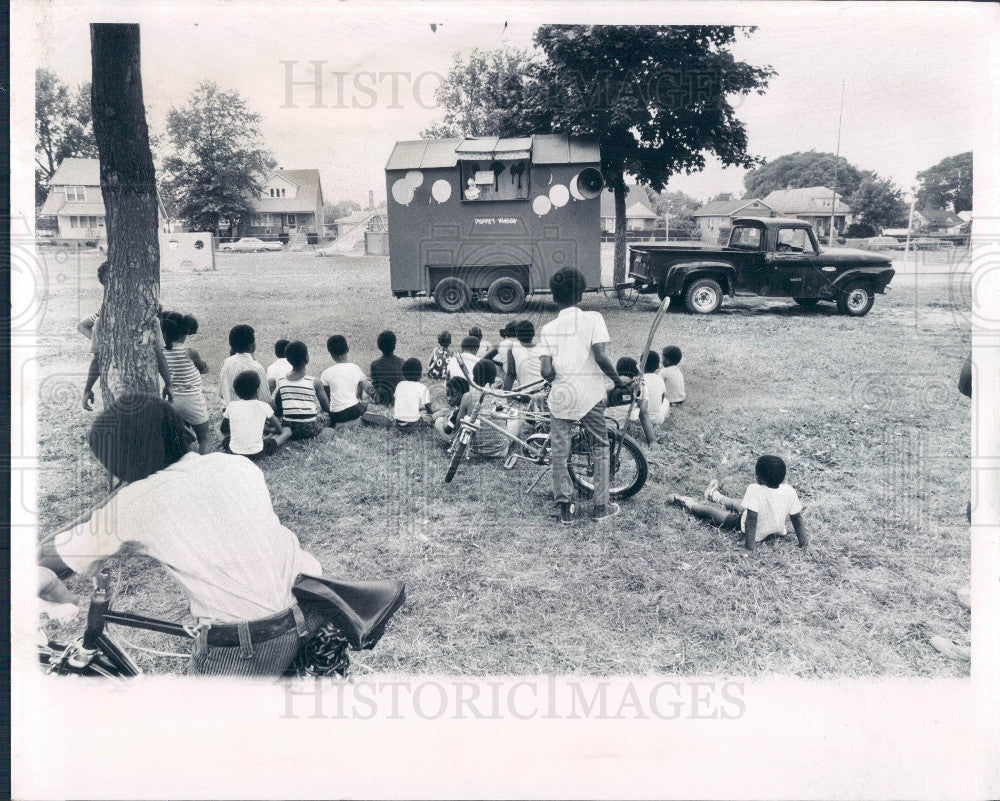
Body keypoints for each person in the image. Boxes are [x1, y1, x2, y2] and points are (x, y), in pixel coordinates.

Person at [37, 393, 326, 676]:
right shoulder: (237, 464)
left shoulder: (136, 501)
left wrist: (116, 497)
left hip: (250, 641)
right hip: (311, 607)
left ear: (117, 467)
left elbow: (52, 556)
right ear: (185, 430)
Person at [539, 268, 631, 525]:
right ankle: (600, 506)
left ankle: (566, 508)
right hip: (590, 395)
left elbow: (546, 371)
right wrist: (617, 380)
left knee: (560, 451)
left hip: (562, 397)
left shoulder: (548, 328)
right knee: (600, 446)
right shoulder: (593, 318)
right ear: (581, 293)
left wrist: (559, 374)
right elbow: (601, 356)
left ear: (555, 297)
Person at [667, 455, 809, 553]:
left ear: (758, 478)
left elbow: (751, 520)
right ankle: (713, 495)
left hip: (751, 525)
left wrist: (749, 548)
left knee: (711, 512)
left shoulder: (754, 489)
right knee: (741, 505)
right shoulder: (789, 490)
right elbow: (797, 518)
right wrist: (805, 545)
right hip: (775, 528)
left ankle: (686, 501)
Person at [81, 261, 172, 410]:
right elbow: (98, 359)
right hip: (129, 389)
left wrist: (168, 384)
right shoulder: (103, 322)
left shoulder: (150, 320)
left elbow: (159, 355)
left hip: (132, 389)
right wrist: (169, 384)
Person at [160, 312, 212, 454]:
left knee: (182, 435)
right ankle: (202, 470)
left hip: (171, 400)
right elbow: (203, 369)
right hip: (192, 399)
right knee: (205, 438)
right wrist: (204, 367)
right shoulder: (190, 352)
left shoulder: (160, 352)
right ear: (185, 332)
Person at [454, 359, 515, 459]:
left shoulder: (468, 396)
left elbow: (458, 426)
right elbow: (505, 423)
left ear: (474, 378)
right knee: (516, 422)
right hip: (500, 451)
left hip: (473, 452)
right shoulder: (501, 394)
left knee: (439, 422)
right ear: (494, 378)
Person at [225, 370, 293, 460]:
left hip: (234, 452)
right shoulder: (263, 406)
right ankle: (262, 439)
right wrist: (267, 429)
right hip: (257, 453)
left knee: (217, 426)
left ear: (236, 391)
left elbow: (223, 428)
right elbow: (280, 429)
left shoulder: (231, 405)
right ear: (257, 389)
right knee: (287, 430)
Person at [274, 341, 328, 439]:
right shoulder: (314, 381)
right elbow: (326, 407)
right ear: (307, 358)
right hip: (310, 428)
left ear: (288, 360)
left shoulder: (281, 380)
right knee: (327, 417)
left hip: (289, 427)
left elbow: (278, 402)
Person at [321, 334, 373, 428]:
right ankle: (360, 421)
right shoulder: (355, 368)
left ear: (331, 355)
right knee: (364, 404)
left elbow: (327, 397)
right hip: (354, 410)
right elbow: (361, 386)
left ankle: (339, 425)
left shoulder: (325, 373)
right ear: (348, 349)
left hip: (336, 414)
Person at [219, 324, 272, 406]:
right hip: (251, 416)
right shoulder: (255, 367)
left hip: (231, 414)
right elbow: (266, 401)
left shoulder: (226, 363)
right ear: (251, 346)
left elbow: (221, 394)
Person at [393, 358, 433, 430]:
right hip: (413, 424)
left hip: (398, 423)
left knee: (419, 413)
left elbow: (400, 403)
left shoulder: (399, 385)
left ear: (403, 373)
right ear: (420, 374)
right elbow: (429, 410)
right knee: (431, 416)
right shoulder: (422, 387)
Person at [505, 320, 544, 391]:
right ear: (534, 333)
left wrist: (504, 395)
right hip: (543, 391)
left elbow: (510, 375)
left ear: (517, 335)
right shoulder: (542, 347)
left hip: (526, 394)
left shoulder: (512, 347)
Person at [370, 330, 405, 406]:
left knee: (365, 383)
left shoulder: (374, 364)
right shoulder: (403, 362)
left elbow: (376, 386)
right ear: (394, 345)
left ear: (379, 346)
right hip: (401, 399)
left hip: (385, 400)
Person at [433, 376, 470, 444]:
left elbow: (447, 430)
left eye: (454, 395)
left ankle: (451, 442)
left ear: (463, 395)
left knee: (439, 421)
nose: (449, 399)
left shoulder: (457, 413)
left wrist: (446, 418)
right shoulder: (468, 406)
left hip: (459, 439)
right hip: (466, 435)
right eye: (448, 395)